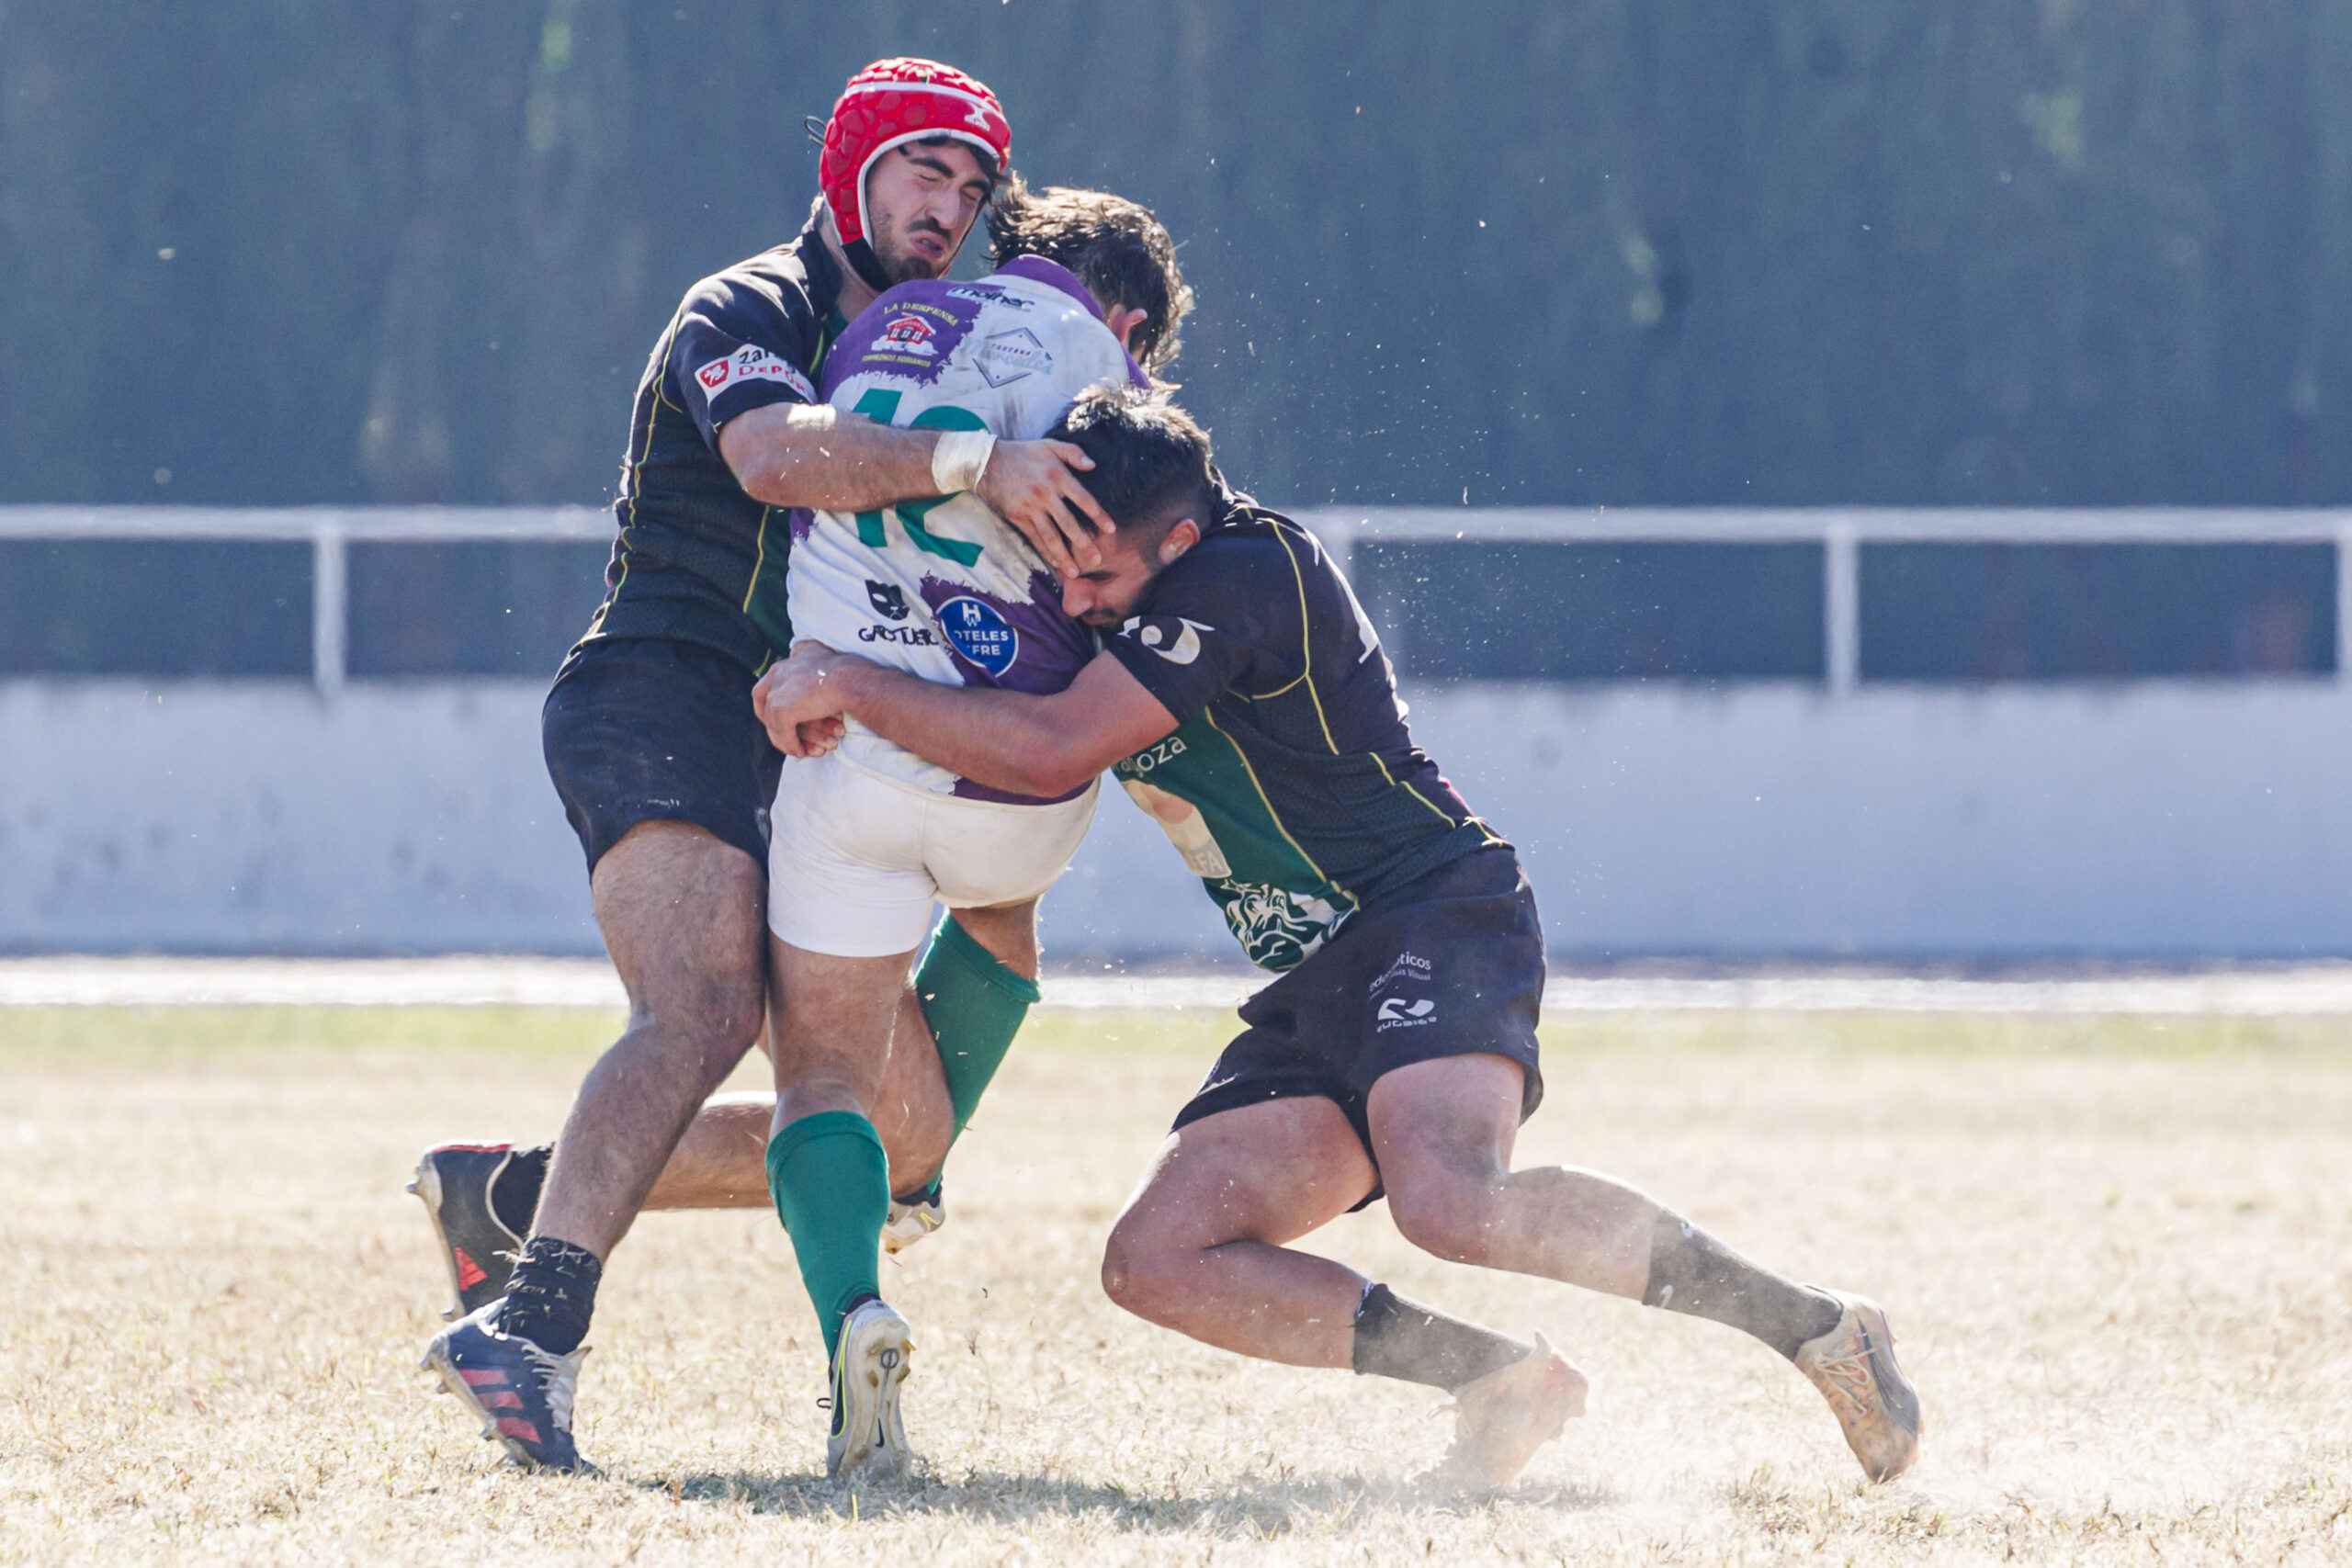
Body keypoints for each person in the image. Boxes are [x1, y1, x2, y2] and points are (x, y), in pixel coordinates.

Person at [752, 387, 1924, 1491]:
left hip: (1433, 906)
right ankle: (1498, 1380)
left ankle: (1817, 1328)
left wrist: (845, 681)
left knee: (1450, 1200)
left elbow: (1054, 748)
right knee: (1157, 1260)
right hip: (1322, 974)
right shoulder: (1133, 586)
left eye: (1094, 572)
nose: (1071, 600)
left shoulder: (1242, 571)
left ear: (1173, 543)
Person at [415, 183, 1196, 1480]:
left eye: (968, 188)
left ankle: (519, 1203)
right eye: (921, 175)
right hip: (686, 691)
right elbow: (778, 456)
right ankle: (535, 1319)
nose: (944, 211)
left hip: (824, 738)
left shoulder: (896, 336)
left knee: (885, 1125)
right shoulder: (757, 305)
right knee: (714, 1012)